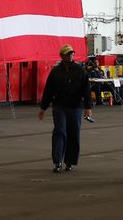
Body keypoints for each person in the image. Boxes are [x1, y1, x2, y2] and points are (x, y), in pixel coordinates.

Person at [39, 45, 92, 173]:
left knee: (73, 133)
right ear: (62, 56)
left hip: (75, 107)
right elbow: (48, 90)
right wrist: (43, 107)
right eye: (68, 54)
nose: (70, 56)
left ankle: (70, 161)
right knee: (60, 131)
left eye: (72, 54)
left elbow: (86, 90)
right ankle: (57, 161)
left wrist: (88, 107)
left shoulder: (80, 70)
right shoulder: (55, 71)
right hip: (59, 106)